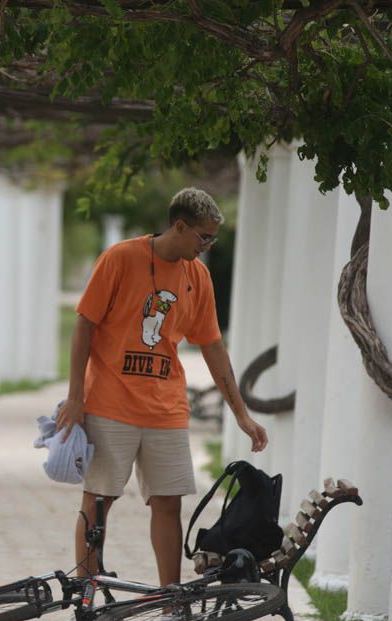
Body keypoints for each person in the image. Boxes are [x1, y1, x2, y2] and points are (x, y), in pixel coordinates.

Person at [56, 187, 268, 596]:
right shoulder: (120, 258)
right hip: (110, 403)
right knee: (98, 503)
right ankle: (85, 597)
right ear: (180, 226)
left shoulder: (198, 276)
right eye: (203, 237)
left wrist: (241, 414)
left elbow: (212, 346)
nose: (207, 246)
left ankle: (171, 600)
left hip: (166, 408)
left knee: (169, 502)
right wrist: (76, 396)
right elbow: (84, 324)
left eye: (213, 239)